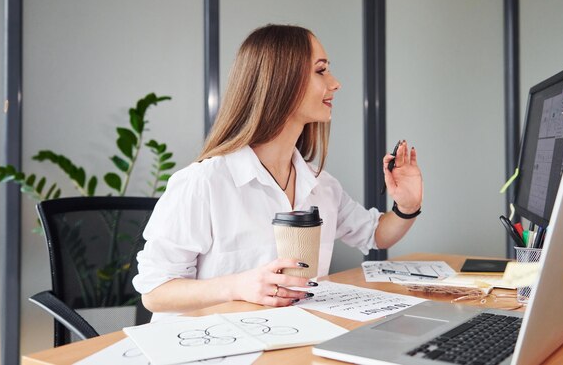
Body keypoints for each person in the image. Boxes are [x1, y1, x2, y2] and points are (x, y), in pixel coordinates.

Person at [133, 24, 423, 321]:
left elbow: (375, 234)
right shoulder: (203, 183)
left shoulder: (321, 185)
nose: (335, 83)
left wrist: (407, 205)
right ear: (282, 81)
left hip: (291, 340)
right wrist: (237, 286)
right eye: (321, 71)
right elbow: (155, 292)